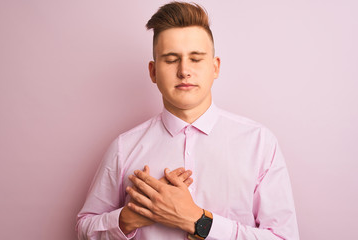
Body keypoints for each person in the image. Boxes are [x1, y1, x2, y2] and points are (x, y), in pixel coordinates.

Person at [76, 2, 299, 240]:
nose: (184, 71)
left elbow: (284, 237)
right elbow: (84, 229)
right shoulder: (124, 147)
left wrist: (199, 221)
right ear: (153, 72)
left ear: (215, 67)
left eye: (196, 58)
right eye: (171, 59)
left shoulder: (259, 144)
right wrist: (130, 217)